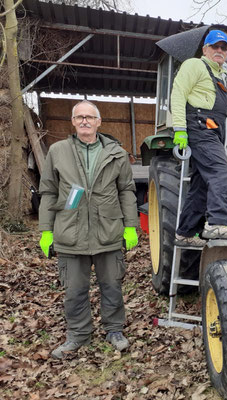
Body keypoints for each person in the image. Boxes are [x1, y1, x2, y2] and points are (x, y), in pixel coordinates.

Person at [38, 100, 139, 359]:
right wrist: (46, 230)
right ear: (72, 122)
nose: (84, 121)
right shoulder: (58, 151)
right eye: (79, 117)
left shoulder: (116, 153)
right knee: (74, 289)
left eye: (89, 117)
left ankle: (114, 331)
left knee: (112, 286)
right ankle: (78, 335)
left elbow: (126, 190)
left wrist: (130, 226)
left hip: (108, 231)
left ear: (98, 122)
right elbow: (48, 192)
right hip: (70, 232)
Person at [170, 29, 227, 248]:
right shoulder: (195, 65)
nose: (219, 50)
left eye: (224, 47)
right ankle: (217, 223)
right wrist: (180, 129)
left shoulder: (219, 74)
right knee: (222, 174)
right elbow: (178, 92)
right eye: (215, 46)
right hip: (200, 126)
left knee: (201, 186)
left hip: (213, 130)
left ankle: (184, 233)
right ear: (205, 49)